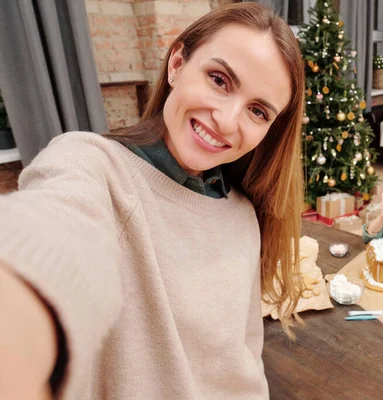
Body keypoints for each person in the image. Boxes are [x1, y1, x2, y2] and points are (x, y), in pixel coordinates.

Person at [0, 3, 305, 399]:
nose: (228, 120)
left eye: (258, 111)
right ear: (177, 63)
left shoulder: (243, 213)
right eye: (219, 80)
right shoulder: (92, 165)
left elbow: (244, 360)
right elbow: (55, 233)